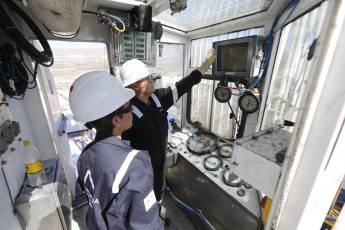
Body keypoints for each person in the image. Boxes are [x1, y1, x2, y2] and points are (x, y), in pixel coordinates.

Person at [120, 49, 216, 214]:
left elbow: (181, 87)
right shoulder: (127, 115)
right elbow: (123, 151)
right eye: (147, 78)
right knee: (144, 203)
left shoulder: (157, 98)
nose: (152, 80)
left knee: (158, 194)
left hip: (159, 165)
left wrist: (201, 70)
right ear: (135, 86)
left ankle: (157, 216)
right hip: (141, 173)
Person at [69, 71, 163, 230]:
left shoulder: (85, 156)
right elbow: (148, 226)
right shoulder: (135, 166)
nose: (132, 110)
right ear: (116, 120)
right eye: (129, 107)